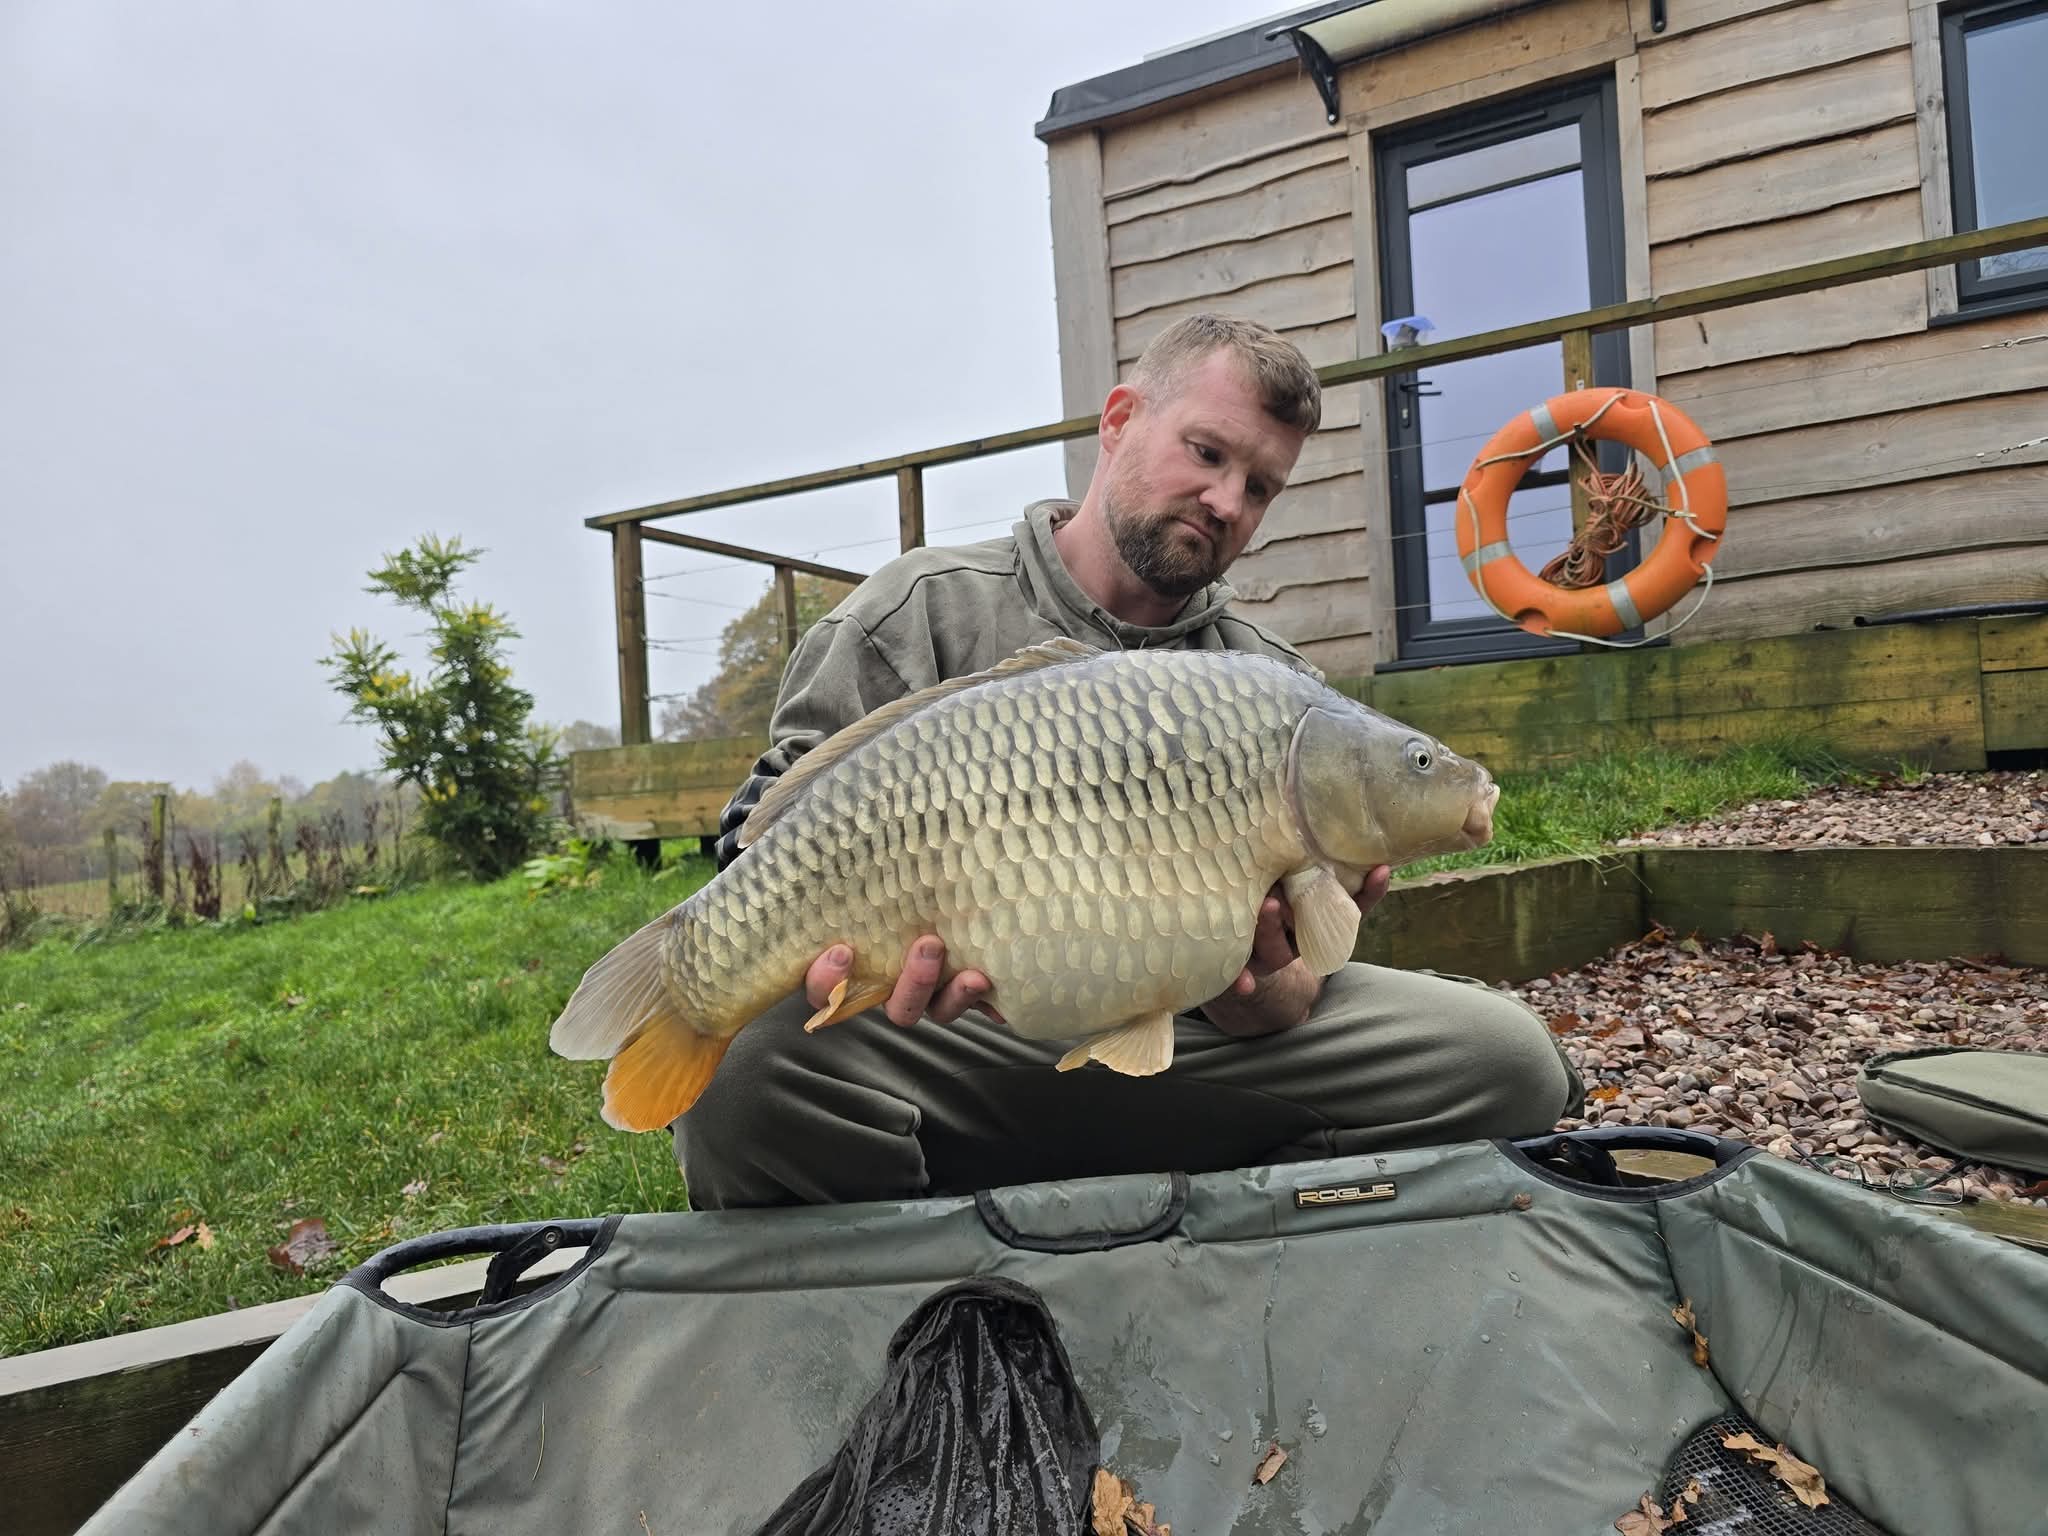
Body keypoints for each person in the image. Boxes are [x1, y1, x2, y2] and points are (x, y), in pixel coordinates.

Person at [673, 314, 1583, 1209]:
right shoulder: (915, 613)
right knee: (747, 1069)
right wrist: (849, 962)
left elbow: (1287, 1004)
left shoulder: (1277, 691)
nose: (1227, 502)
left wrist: (1259, 986)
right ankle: (961, 1237)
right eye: (1207, 453)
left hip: (1187, 1048)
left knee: (1503, 1061)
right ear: (1118, 422)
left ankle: (1181, 1216)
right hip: (956, 1041)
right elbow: (766, 842)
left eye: (1260, 488)